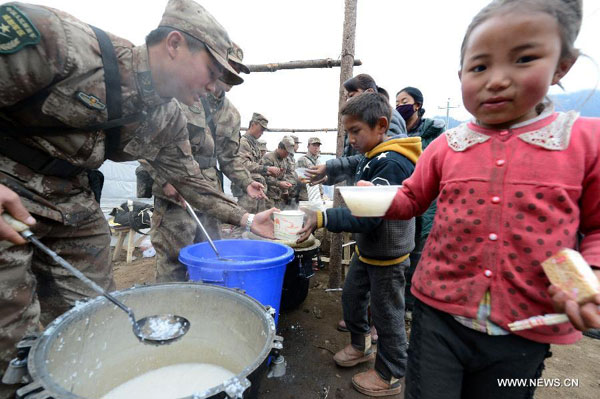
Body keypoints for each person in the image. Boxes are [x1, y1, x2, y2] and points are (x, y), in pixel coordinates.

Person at [0, 1, 276, 394]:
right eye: (213, 72)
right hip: (8, 192)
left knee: (99, 317)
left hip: (73, 203)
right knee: (11, 341)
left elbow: (190, 181)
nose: (215, 87)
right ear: (175, 44)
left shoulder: (168, 117)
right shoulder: (58, 41)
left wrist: (247, 220)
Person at [369, 1, 600, 397]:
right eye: (479, 67)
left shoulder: (583, 142)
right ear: (461, 75)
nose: (496, 80)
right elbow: (410, 199)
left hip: (524, 329)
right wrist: (375, 196)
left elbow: (596, 226)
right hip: (439, 315)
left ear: (562, 65)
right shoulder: (446, 146)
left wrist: (593, 273)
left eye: (524, 59)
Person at [299, 92, 422, 396]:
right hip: (368, 251)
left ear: (381, 126)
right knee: (352, 299)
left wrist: (322, 217)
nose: (351, 138)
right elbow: (352, 171)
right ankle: (361, 345)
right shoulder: (371, 156)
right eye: (348, 131)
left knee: (387, 314)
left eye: (356, 131)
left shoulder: (393, 163)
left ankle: (391, 373)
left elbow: (369, 217)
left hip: (389, 255)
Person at [147, 60, 268, 282]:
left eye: (238, 70)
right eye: (230, 67)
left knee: (211, 252)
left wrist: (246, 181)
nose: (233, 73)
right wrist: (164, 180)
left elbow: (229, 158)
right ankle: (170, 314)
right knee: (174, 260)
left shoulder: (231, 114)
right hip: (175, 191)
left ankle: (203, 305)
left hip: (210, 193)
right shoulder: (180, 94)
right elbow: (146, 142)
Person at [394, 86, 446, 315]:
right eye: (396, 102)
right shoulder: (396, 133)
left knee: (419, 253)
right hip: (404, 198)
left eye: (403, 101)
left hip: (428, 203)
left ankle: (411, 303)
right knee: (402, 250)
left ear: (417, 105)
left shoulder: (433, 133)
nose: (399, 106)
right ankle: (400, 300)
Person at [234, 113, 280, 213]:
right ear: (253, 124)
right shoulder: (243, 142)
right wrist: (266, 169)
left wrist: (267, 171)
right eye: (261, 128)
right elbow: (243, 164)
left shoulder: (254, 144)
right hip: (246, 189)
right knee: (245, 222)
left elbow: (257, 165)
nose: (262, 132)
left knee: (257, 221)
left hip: (257, 188)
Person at [262, 137, 295, 209]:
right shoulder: (268, 158)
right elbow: (263, 177)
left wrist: (287, 185)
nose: (287, 154)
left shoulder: (285, 160)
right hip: (269, 197)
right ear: (280, 147)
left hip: (280, 197)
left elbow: (287, 175)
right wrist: (279, 183)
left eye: (289, 153)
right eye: (286, 152)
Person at [297, 137, 323, 202]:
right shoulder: (302, 160)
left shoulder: (318, 161)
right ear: (308, 146)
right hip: (306, 196)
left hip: (317, 196)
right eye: (314, 145)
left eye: (318, 145)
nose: (316, 147)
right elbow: (300, 179)